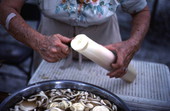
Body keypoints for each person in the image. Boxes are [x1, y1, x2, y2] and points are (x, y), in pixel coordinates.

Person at [0, 0, 150, 78]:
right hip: (51, 43)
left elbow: (141, 10)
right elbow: (6, 7)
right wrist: (38, 41)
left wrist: (133, 43)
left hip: (105, 46)